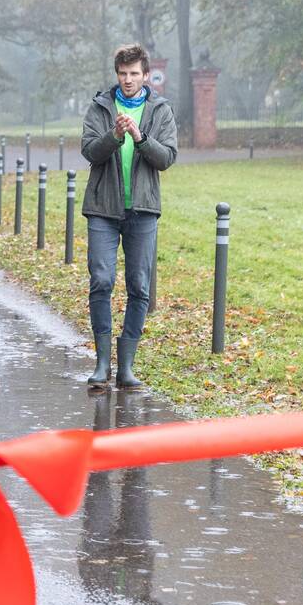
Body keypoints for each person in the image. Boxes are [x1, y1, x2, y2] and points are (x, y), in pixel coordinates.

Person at [82, 44, 178, 390]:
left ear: (146, 75)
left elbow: (166, 158)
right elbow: (90, 151)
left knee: (139, 287)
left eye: (134, 74)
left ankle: (127, 367)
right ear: (116, 74)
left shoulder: (160, 111)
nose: (127, 80)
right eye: (122, 74)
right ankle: (102, 364)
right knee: (102, 280)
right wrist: (114, 135)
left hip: (143, 209)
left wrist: (139, 137)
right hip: (102, 209)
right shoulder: (100, 107)